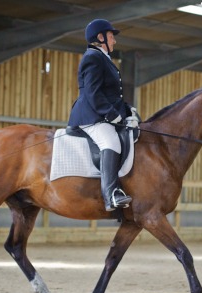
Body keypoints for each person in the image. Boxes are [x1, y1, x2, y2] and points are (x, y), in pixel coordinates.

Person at [68, 19, 134, 212]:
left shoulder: (103, 58)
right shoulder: (93, 57)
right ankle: (111, 194)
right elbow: (93, 93)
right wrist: (112, 115)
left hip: (100, 113)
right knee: (111, 142)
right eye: (112, 36)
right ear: (101, 37)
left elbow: (111, 94)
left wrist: (128, 111)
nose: (114, 41)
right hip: (91, 115)